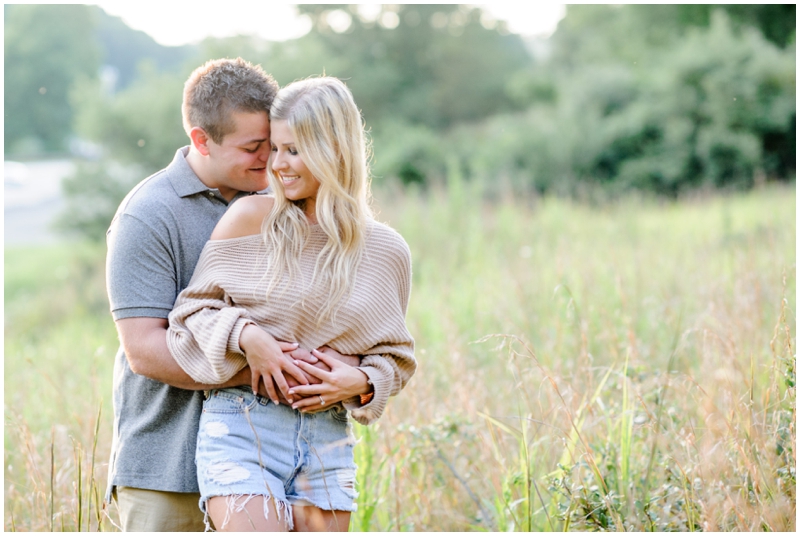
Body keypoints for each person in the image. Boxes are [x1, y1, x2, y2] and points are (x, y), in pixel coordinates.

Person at [104, 58, 356, 532]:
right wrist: (266, 366)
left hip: (274, 460)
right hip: (169, 469)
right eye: (254, 147)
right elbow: (144, 351)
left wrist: (356, 377)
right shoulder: (149, 215)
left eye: (281, 146)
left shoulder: (285, 204)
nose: (272, 160)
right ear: (202, 139)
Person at [166, 76, 417, 531]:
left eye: (294, 151)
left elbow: (396, 359)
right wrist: (249, 336)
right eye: (275, 149)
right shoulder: (248, 219)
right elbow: (190, 314)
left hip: (328, 438)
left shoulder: (386, 250)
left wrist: (359, 380)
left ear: (336, 150)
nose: (277, 164)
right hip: (243, 426)